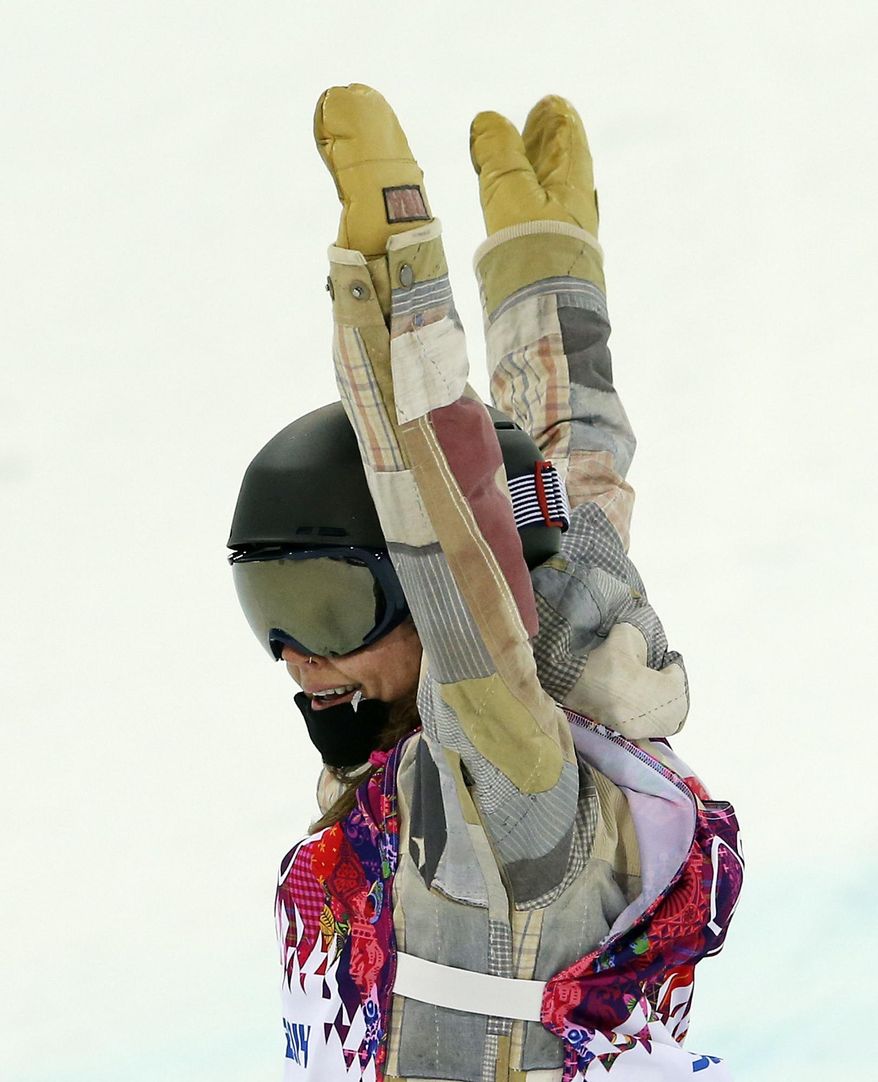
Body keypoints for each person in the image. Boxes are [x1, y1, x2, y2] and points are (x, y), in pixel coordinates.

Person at [228, 85, 743, 1081]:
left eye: (328, 604)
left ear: (425, 596)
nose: (297, 655)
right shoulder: (543, 719)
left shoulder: (508, 808)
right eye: (269, 613)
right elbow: (563, 494)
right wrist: (545, 277)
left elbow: (451, 523)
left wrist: (391, 281)